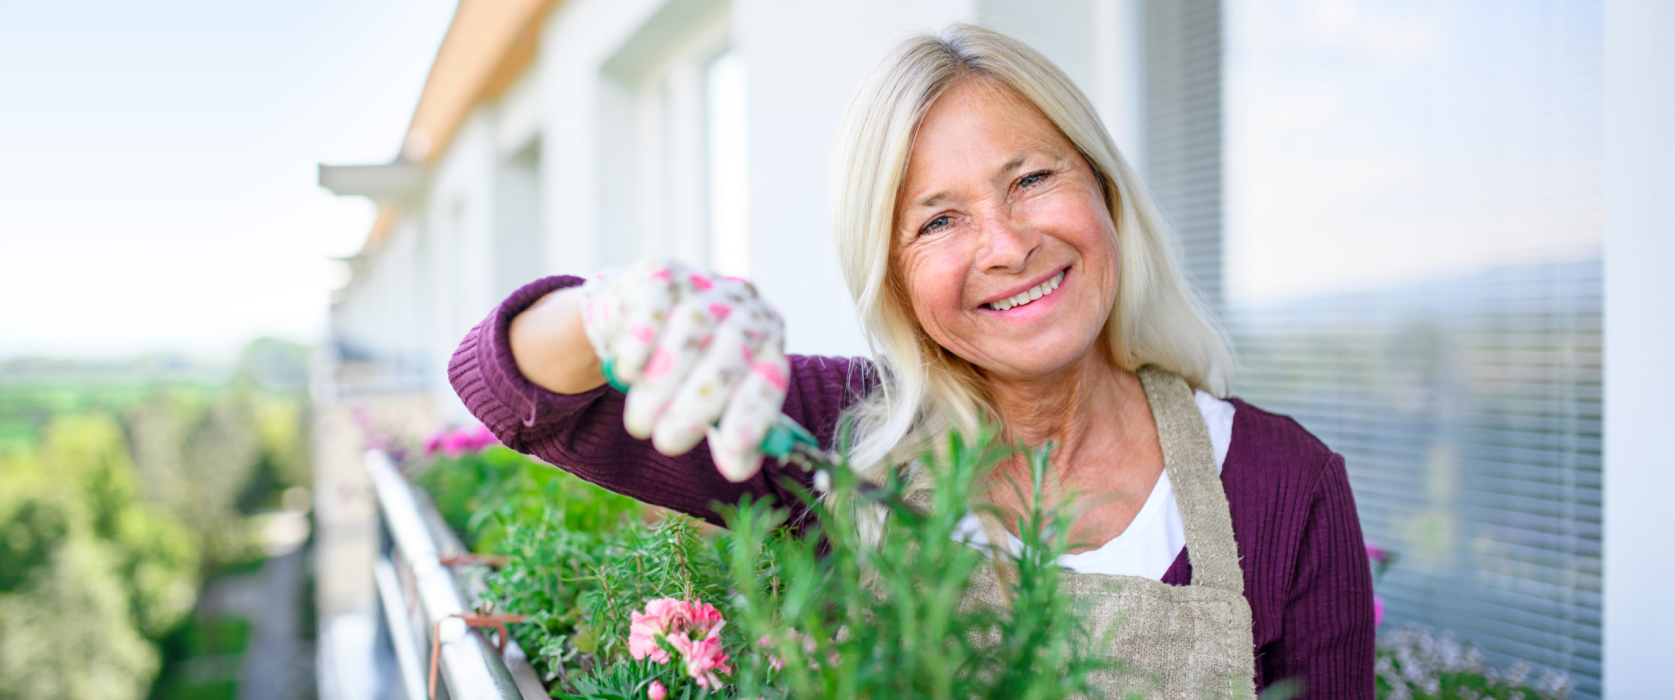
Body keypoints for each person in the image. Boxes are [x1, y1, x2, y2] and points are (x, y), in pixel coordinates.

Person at [450, 24, 1372, 698]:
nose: (1007, 245)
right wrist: (615, 310)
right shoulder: (834, 439)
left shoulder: (1284, 485)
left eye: (1032, 179)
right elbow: (519, 393)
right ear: (892, 278)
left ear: (1105, 192)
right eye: (939, 220)